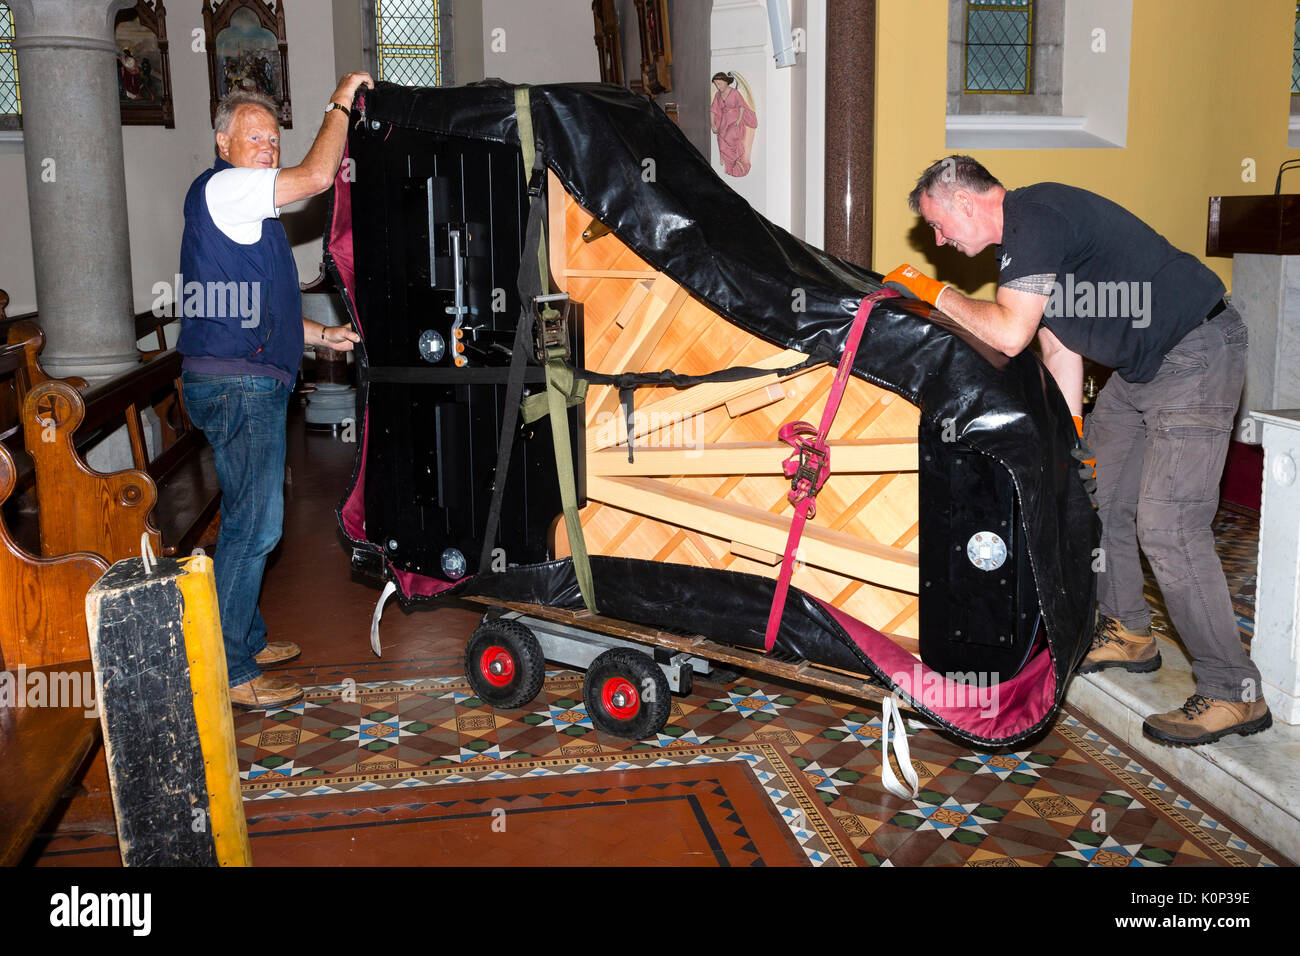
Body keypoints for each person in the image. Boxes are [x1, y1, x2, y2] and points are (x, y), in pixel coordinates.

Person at [885, 155, 1270, 747]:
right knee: (1096, 492)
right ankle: (1131, 633)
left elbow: (1008, 332)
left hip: (1196, 352)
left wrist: (932, 292)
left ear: (964, 202)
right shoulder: (1024, 247)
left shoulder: (1033, 215)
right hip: (1141, 371)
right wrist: (1069, 444)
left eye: (939, 225)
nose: (939, 239)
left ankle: (1232, 690)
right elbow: (1057, 349)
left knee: (1168, 528)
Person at [177, 74, 370, 710]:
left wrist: (322, 335)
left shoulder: (241, 208)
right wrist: (339, 102)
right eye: (252, 136)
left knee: (246, 516)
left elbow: (260, 305)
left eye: (272, 136)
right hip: (238, 386)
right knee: (256, 527)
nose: (266, 145)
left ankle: (247, 637)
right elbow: (317, 177)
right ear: (222, 142)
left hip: (236, 378)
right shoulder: (228, 189)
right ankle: (232, 672)